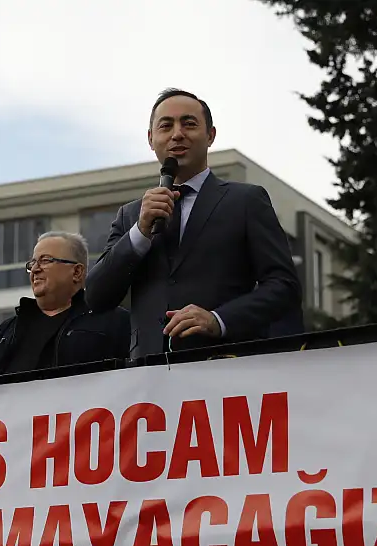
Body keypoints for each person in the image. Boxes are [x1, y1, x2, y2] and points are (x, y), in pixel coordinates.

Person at [85, 88, 301, 357]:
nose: (177, 134)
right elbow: (96, 297)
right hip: (148, 372)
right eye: (166, 126)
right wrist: (140, 233)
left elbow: (283, 286)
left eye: (188, 124)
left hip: (224, 363)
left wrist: (218, 320)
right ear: (151, 139)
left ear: (210, 135)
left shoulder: (246, 201)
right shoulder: (131, 216)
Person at [0, 232, 130, 377]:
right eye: (32, 263)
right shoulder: (6, 331)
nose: (35, 269)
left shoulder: (114, 321)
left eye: (45, 260)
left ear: (77, 272)